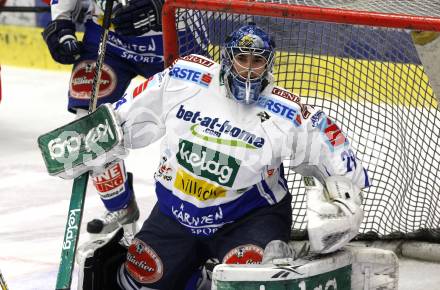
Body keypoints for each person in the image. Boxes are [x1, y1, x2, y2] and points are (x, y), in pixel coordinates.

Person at [70, 23, 370, 289]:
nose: (249, 69)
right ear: (227, 60)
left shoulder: (287, 111)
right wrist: (91, 138)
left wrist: (342, 201)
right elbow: (123, 118)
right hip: (176, 213)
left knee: (252, 284)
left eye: (257, 61)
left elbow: (339, 161)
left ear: (268, 65)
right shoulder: (184, 80)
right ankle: (195, 277)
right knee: (136, 283)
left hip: (248, 217)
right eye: (242, 59)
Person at [41, 0, 206, 234]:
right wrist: (61, 21)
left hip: (173, 33)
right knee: (89, 124)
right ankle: (121, 209)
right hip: (107, 38)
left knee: (199, 126)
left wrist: (161, 6)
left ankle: (201, 219)